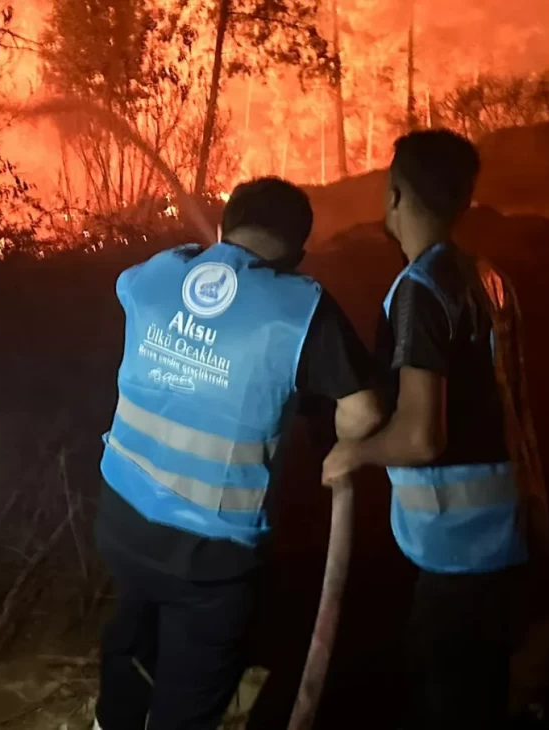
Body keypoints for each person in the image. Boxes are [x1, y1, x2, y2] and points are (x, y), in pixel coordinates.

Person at [94, 177, 383, 730]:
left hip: (120, 520)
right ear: (297, 254)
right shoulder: (300, 308)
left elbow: (128, 288)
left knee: (131, 633)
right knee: (192, 684)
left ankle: (113, 720)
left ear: (225, 227)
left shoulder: (158, 271)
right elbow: (365, 412)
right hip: (210, 555)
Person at [322, 129, 546, 729]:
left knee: (447, 694)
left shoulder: (420, 293)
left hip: (460, 546)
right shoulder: (486, 276)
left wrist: (354, 453)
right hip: (510, 526)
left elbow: (423, 437)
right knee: (481, 687)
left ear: (395, 195)